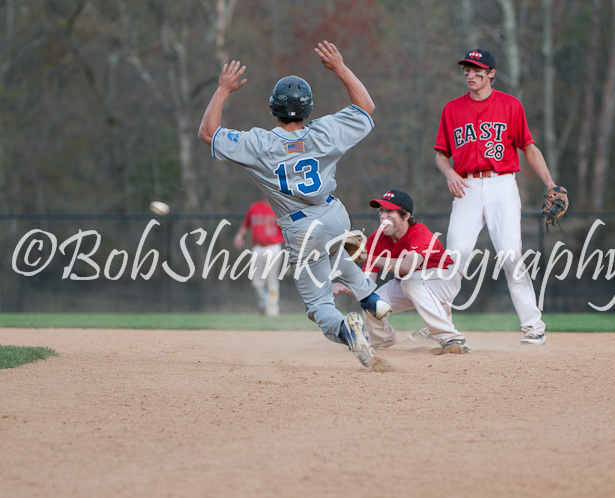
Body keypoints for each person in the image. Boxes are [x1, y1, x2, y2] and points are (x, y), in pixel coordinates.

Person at [198, 41, 391, 368]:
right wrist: (339, 68)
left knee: (318, 306)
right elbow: (366, 107)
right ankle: (371, 296)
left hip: (301, 228)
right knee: (336, 253)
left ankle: (348, 329)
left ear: (272, 108)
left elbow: (208, 132)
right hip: (335, 214)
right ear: (308, 110)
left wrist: (223, 89)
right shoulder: (326, 132)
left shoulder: (259, 143)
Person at [434, 48, 558, 345]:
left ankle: (533, 328)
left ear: (491, 73)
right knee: (455, 255)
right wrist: (449, 173)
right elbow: (440, 153)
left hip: (502, 184)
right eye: (467, 69)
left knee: (511, 256)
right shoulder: (452, 109)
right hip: (466, 186)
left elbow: (528, 147)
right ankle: (440, 326)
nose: (470, 74)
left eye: (477, 69)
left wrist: (550, 184)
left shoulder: (510, 105)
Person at [334, 189, 470, 354]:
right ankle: (382, 339)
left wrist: (366, 256)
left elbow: (407, 266)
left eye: (390, 212)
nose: (383, 216)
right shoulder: (376, 240)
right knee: (371, 301)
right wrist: (347, 286)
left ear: (405, 216)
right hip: (413, 284)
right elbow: (367, 282)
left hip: (444, 279)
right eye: (381, 211)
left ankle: (451, 338)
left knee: (411, 280)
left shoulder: (420, 233)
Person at [234, 197, 285, 317]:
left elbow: (286, 228)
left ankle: (272, 310)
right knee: (257, 282)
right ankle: (264, 304)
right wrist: (238, 237)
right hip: (258, 248)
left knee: (272, 280)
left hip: (273, 247)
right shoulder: (254, 207)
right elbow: (245, 225)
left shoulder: (279, 208)